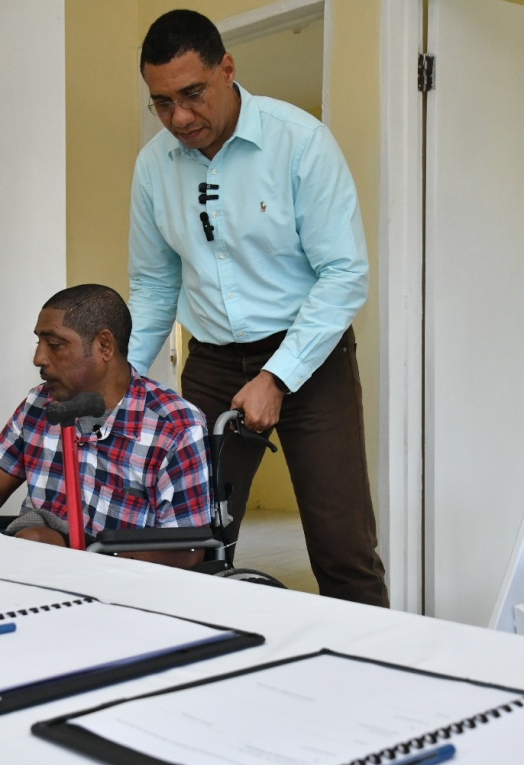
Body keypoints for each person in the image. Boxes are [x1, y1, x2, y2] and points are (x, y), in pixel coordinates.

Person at [127, 10, 389, 605]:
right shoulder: (153, 169)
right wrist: (129, 384)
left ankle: (376, 680)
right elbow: (153, 286)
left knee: (342, 546)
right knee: (191, 542)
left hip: (310, 359)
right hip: (213, 363)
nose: (181, 117)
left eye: (192, 94)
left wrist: (277, 375)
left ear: (227, 68)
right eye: (162, 103)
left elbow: (344, 274)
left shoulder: (300, 142)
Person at [0, 284, 211, 569]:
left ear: (104, 346)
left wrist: (72, 553)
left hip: (126, 590)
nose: (39, 359)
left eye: (55, 345)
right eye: (39, 343)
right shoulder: (38, 404)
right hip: (33, 574)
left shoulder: (174, 426)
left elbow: (186, 551)